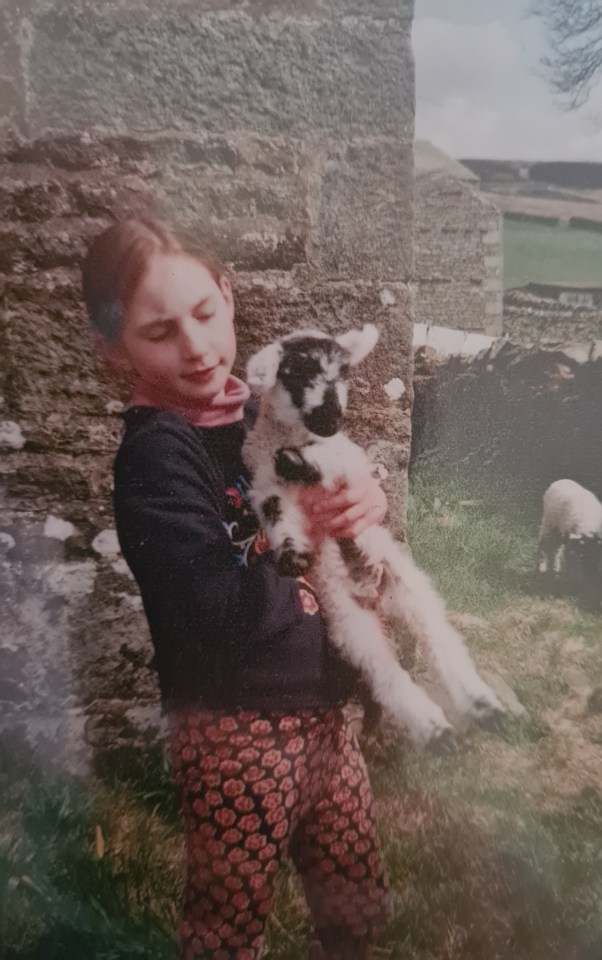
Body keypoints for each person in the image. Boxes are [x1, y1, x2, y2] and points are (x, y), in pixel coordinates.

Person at [81, 217, 392, 960]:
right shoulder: (159, 457)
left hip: (320, 707)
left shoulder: (270, 412)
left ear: (227, 295)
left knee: (357, 903)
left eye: (204, 313)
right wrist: (297, 532)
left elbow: (340, 500)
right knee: (227, 923)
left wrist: (366, 504)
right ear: (113, 348)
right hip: (230, 733)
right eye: (159, 331)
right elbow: (205, 615)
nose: (192, 346)